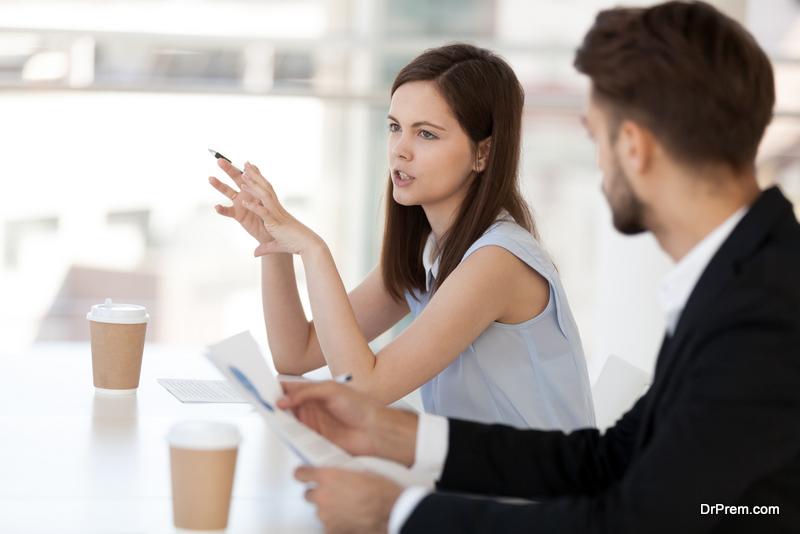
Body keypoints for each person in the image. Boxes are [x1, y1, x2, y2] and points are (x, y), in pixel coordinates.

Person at [275, 2, 800, 533]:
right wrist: (394, 436)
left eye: (595, 137)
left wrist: (395, 512)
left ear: (634, 148)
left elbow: (644, 521)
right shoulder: (737, 279)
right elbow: (614, 459)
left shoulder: (762, 311)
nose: (597, 164)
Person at [209, 43, 595, 430]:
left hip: (538, 487)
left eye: (426, 134)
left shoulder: (498, 260)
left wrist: (313, 249)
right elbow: (295, 355)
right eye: (395, 127)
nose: (399, 151)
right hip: (476, 474)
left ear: (484, 153)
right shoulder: (429, 250)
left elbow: (364, 388)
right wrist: (276, 245)